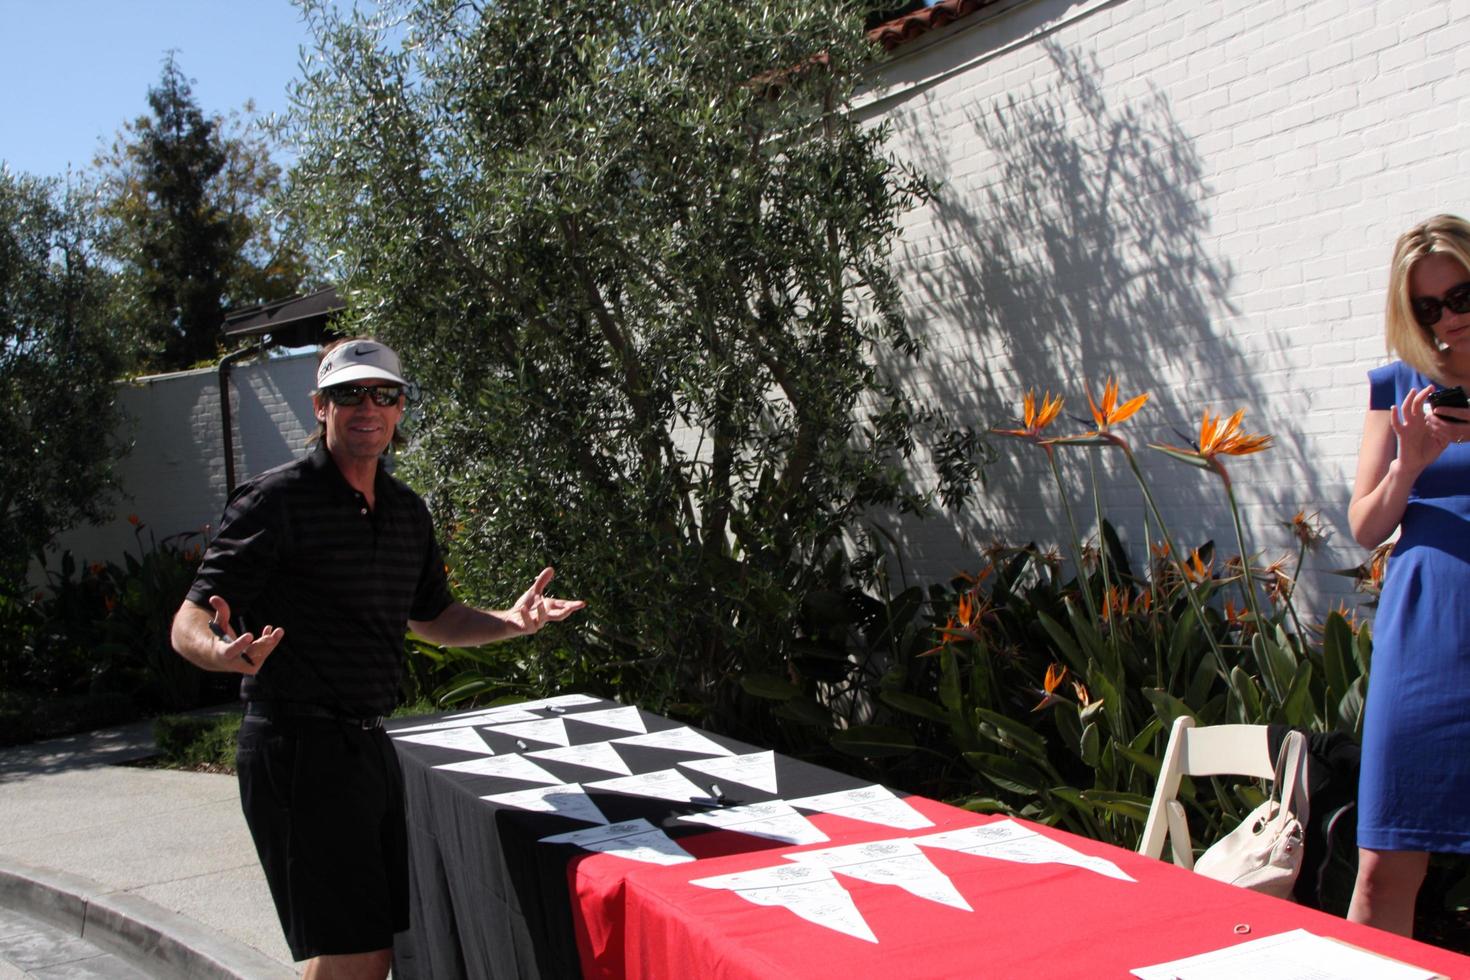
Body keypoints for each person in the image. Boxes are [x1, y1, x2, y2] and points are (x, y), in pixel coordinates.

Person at [170, 337, 584, 979]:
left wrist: (511, 622)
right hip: (298, 747)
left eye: (383, 394)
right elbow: (188, 619)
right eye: (348, 394)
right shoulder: (274, 501)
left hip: (368, 747)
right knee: (359, 952)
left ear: (399, 409)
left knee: (358, 949)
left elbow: (436, 618)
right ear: (320, 407)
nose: (367, 407)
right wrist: (222, 653)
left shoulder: (405, 513)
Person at [1347, 214, 1470, 936]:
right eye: (1428, 308)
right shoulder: (1400, 390)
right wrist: (1409, 465)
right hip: (1426, 632)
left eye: (1461, 295)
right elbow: (1365, 527)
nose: (1449, 318)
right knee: (1384, 863)